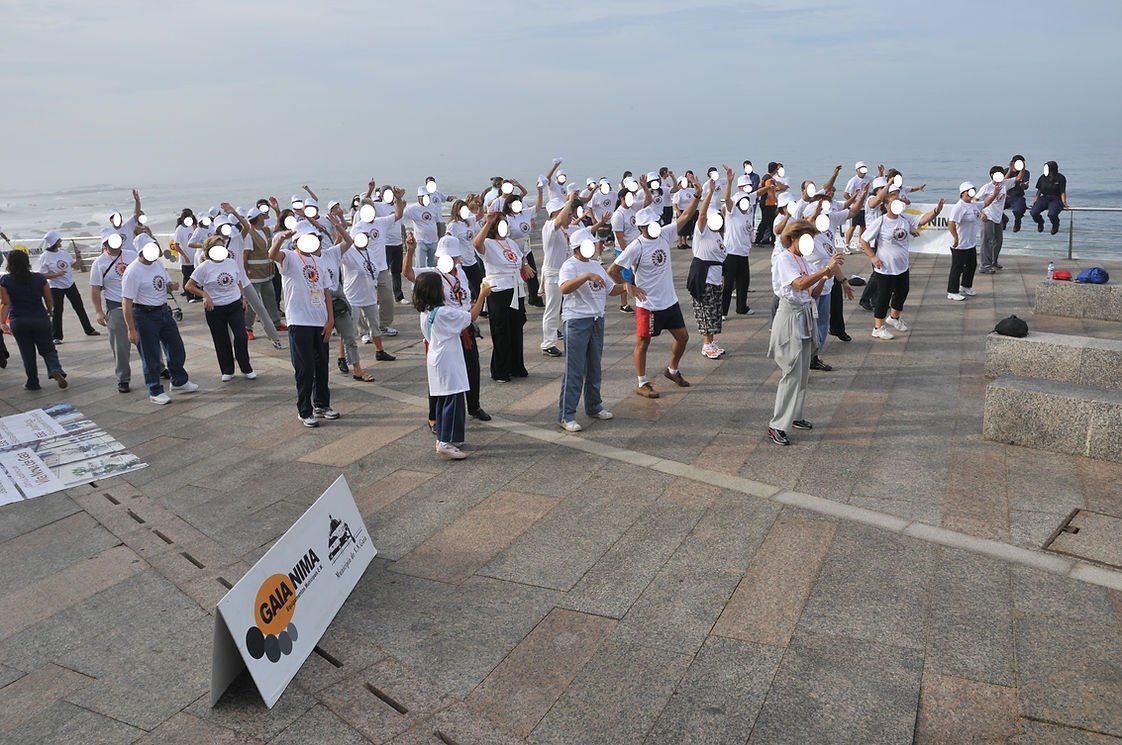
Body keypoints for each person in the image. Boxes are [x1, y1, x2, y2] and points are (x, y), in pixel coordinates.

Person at [608, 195, 699, 400]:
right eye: (650, 224)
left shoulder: (664, 234)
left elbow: (686, 215)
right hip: (648, 305)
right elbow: (612, 270)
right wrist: (628, 286)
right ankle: (642, 383)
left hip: (670, 301)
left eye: (656, 222)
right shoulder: (636, 246)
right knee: (643, 343)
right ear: (641, 227)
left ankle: (672, 370)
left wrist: (697, 196)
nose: (655, 226)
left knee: (683, 338)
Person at [766, 220, 844, 446]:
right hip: (790, 316)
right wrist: (825, 270)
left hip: (804, 315)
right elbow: (799, 285)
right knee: (791, 372)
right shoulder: (784, 259)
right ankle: (777, 424)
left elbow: (812, 292)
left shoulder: (802, 260)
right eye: (806, 238)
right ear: (793, 237)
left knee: (802, 373)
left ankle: (795, 415)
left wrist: (826, 276)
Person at [406, 233, 492, 426]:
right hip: (444, 329)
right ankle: (434, 416)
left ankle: (474, 406)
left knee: (472, 367)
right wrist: (410, 251)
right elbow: (408, 273)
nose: (451, 261)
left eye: (453, 258)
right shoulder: (432, 275)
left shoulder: (460, 271)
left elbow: (464, 299)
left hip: (463, 327)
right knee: (440, 375)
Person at [414, 271, 491, 460]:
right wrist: (482, 295)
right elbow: (471, 316)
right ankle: (444, 442)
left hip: (438, 357)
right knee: (452, 400)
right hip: (448, 359)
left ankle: (449, 437)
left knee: (444, 399)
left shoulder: (426, 311)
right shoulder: (443, 313)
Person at [269, 222, 338, 427]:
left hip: (320, 321)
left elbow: (326, 291)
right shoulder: (290, 258)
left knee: (321, 365)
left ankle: (322, 404)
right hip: (299, 322)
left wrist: (330, 319)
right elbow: (272, 255)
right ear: (297, 240)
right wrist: (280, 238)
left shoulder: (319, 261)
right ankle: (304, 410)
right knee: (305, 368)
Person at [121, 234, 199, 404]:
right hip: (144, 314)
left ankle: (179, 381)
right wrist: (131, 329)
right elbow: (126, 302)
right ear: (141, 251)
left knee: (176, 347)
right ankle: (155, 390)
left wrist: (171, 286)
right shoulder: (133, 271)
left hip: (163, 311)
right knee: (151, 355)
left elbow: (165, 284)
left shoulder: (157, 264)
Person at [558, 228, 623, 431]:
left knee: (594, 366)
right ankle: (566, 415)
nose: (593, 247)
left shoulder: (596, 265)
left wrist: (627, 286)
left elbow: (611, 289)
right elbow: (564, 288)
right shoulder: (569, 265)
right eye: (588, 245)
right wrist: (586, 276)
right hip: (576, 321)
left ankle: (594, 405)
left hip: (596, 320)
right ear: (577, 248)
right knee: (574, 370)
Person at [859, 196, 945, 339]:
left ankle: (894, 318)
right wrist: (873, 257)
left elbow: (922, 219)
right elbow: (863, 240)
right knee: (884, 296)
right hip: (885, 268)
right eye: (893, 202)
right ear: (886, 205)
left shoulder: (904, 218)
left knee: (902, 292)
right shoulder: (881, 221)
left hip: (902, 266)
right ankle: (878, 328)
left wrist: (936, 211)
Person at [472, 211, 534, 382]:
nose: (505, 226)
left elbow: (521, 256)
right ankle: (500, 370)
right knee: (501, 330)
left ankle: (516, 366)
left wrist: (525, 264)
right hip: (498, 290)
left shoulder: (510, 242)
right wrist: (487, 222)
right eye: (501, 223)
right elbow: (476, 244)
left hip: (515, 288)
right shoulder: (488, 243)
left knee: (516, 328)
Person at [186, 236, 256, 381]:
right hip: (215, 308)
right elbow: (189, 286)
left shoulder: (231, 263)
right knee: (221, 339)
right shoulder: (204, 267)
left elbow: (238, 281)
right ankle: (227, 370)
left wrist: (243, 297)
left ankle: (246, 367)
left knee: (241, 336)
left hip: (234, 304)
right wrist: (205, 295)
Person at [0, 250, 68, 390]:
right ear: (27, 262)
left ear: (10, 263)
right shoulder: (39, 278)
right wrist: (50, 312)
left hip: (18, 320)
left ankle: (32, 382)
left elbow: (5, 303)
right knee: (48, 349)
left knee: (27, 353)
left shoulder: (5, 281)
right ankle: (55, 369)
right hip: (40, 318)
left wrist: (2, 323)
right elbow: (49, 299)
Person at [88, 228, 138, 392]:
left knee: (149, 339)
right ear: (105, 243)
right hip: (116, 306)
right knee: (120, 346)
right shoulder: (99, 263)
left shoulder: (132, 255)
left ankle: (158, 367)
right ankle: (123, 378)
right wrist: (99, 311)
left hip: (138, 304)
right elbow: (95, 288)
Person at [688, 177, 727, 360]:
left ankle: (711, 342)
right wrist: (709, 193)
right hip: (703, 277)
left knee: (715, 311)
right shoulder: (701, 232)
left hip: (715, 277)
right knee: (706, 311)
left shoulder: (718, 234)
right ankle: (706, 344)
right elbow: (702, 215)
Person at [36, 230, 99, 343]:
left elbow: (76, 266)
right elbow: (42, 275)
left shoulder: (64, 253)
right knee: (57, 311)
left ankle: (89, 329)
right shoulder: (44, 257)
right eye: (59, 239)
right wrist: (56, 275)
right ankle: (56, 336)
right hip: (55, 287)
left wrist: (78, 256)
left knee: (79, 307)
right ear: (54, 241)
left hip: (70, 284)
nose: (61, 241)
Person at [540, 192, 581, 358]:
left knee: (568, 306)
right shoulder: (549, 227)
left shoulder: (564, 229)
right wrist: (570, 200)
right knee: (552, 309)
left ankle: (569, 335)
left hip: (564, 274)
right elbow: (558, 221)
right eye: (565, 212)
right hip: (552, 275)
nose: (569, 215)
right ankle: (548, 343)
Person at [947, 181, 1000, 300]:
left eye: (972, 191)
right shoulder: (959, 207)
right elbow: (951, 223)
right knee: (957, 267)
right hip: (959, 244)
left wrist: (995, 193)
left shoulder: (973, 205)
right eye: (968, 191)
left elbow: (986, 202)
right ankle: (952, 291)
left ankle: (965, 286)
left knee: (972, 265)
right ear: (962, 193)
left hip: (970, 243)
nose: (971, 193)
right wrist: (955, 237)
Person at [721, 167, 756, 316]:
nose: (745, 203)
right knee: (728, 285)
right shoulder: (732, 212)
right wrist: (729, 181)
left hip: (743, 253)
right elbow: (727, 199)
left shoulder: (748, 213)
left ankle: (742, 307)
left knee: (743, 282)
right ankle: (722, 312)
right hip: (731, 252)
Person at [977, 165, 1017, 274]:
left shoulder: (1004, 184)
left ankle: (993, 262)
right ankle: (984, 266)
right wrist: (981, 213)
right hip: (987, 217)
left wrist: (1018, 166)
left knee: (998, 241)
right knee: (987, 241)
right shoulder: (986, 187)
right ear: (992, 175)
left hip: (998, 217)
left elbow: (1017, 179)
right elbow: (974, 200)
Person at [404, 188, 440, 268]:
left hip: (433, 240)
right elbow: (401, 219)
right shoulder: (412, 208)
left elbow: (438, 222)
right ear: (418, 198)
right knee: (420, 266)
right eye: (423, 197)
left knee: (433, 266)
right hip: (420, 241)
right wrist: (408, 232)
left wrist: (439, 237)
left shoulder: (434, 207)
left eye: (427, 196)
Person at [1030, 161, 1069, 235]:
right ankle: (1040, 222)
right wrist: (1035, 202)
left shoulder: (1061, 178)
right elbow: (1039, 191)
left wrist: (1064, 202)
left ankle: (1055, 224)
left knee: (1052, 214)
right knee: (1033, 212)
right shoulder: (1042, 177)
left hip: (1056, 198)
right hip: (1045, 197)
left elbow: (1062, 192)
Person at [172, 209, 197, 298]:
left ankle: (196, 294)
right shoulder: (179, 229)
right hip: (186, 258)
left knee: (195, 275)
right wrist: (184, 256)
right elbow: (176, 245)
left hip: (194, 256)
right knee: (187, 276)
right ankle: (189, 295)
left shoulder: (193, 226)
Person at [1002, 155, 1030, 232]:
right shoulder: (1006, 170)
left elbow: (1026, 187)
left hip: (1017, 197)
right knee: (994, 207)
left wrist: (1023, 185)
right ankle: (1004, 219)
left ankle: (1017, 221)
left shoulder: (1026, 172)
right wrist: (1010, 170)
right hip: (1006, 196)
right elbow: (1003, 182)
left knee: (1018, 210)